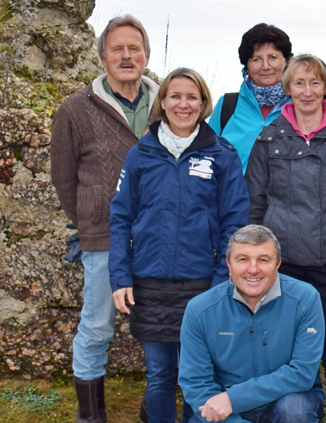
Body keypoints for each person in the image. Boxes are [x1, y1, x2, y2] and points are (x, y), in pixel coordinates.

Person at [109, 67, 249, 423]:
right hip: (149, 283)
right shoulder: (141, 153)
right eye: (175, 96)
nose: (183, 104)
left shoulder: (222, 154)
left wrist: (223, 280)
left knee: (195, 379)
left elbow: (235, 222)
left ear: (203, 103)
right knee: (158, 376)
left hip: (202, 284)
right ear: (164, 101)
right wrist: (120, 277)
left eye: (191, 97)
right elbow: (121, 217)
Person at [245, 54, 326, 422]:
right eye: (299, 83)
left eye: (315, 83)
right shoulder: (268, 138)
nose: (307, 91)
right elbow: (253, 206)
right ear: (287, 88)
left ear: (325, 87)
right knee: (277, 353)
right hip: (281, 269)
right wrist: (253, 265)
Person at [49, 14, 158, 422]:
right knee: (96, 328)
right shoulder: (75, 108)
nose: (127, 56)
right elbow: (63, 176)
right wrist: (89, 217)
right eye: (118, 49)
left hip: (159, 239)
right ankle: (90, 415)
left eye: (134, 48)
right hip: (103, 241)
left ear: (146, 55)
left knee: (159, 330)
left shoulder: (166, 103)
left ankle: (155, 407)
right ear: (103, 58)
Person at [179, 225, 325, 423]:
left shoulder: (305, 299)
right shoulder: (200, 309)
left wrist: (235, 398)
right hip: (224, 409)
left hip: (285, 400)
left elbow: (302, 373)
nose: (253, 269)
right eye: (243, 259)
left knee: (294, 410)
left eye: (263, 260)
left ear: (278, 264)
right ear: (228, 265)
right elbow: (196, 383)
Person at [208, 23, 293, 171]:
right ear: (246, 66)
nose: (266, 66)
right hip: (233, 193)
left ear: (286, 62)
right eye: (256, 59)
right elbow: (206, 156)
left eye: (273, 57)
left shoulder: (299, 106)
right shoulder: (227, 106)